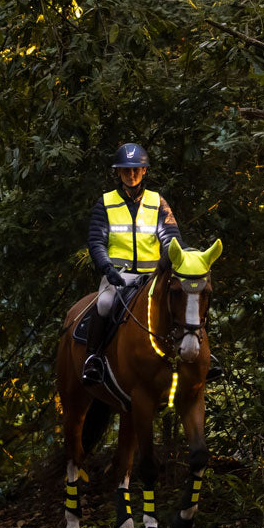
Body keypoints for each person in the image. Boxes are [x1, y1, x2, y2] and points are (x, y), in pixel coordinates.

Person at [82, 142, 222, 385]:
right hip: (119, 275)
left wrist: (173, 259)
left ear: (144, 170)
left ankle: (205, 356)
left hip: (153, 275)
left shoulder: (158, 202)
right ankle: (93, 358)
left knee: (189, 295)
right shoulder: (105, 202)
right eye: (126, 170)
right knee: (104, 303)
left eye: (136, 169)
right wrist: (107, 268)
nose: (132, 174)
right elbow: (96, 241)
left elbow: (170, 239)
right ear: (118, 172)